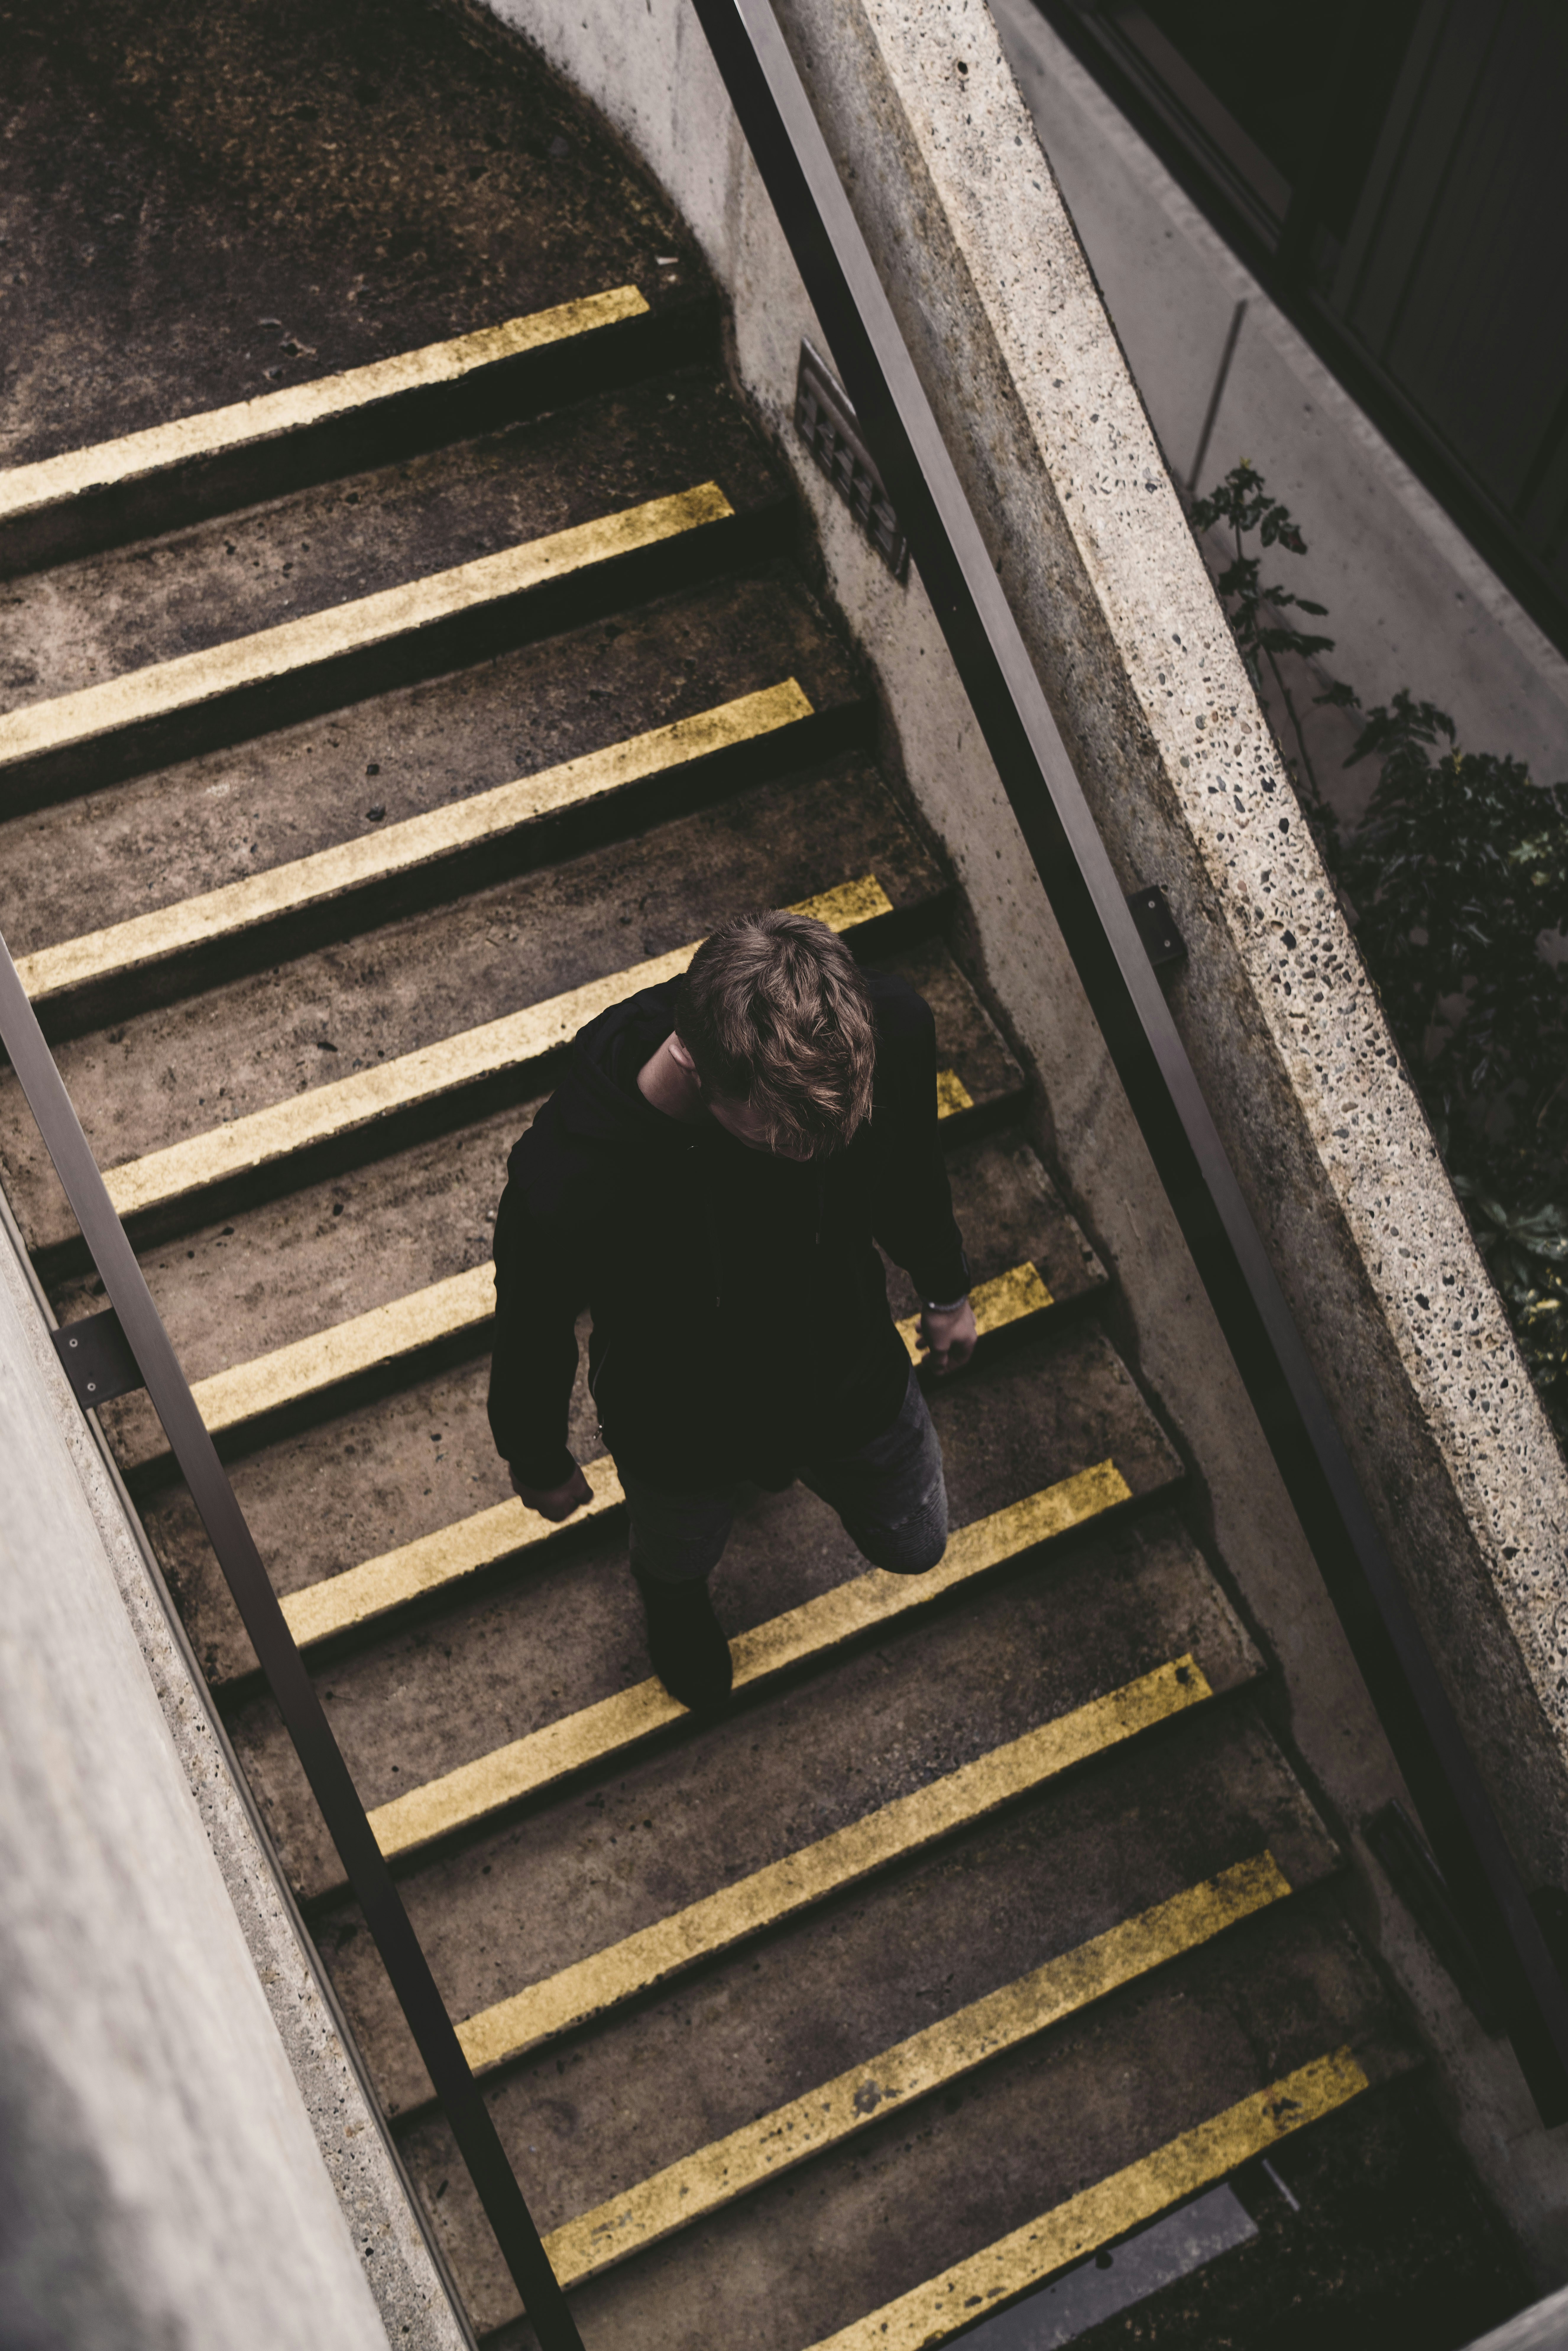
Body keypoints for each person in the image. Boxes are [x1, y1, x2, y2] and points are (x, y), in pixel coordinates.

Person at [487, 908, 977, 1711]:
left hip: (846, 1369)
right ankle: (673, 1602)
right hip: (678, 1424)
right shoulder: (569, 1182)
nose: (814, 1156)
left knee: (917, 1546)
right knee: (678, 1553)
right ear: (692, 1063)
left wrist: (945, 1287)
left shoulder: (887, 1032)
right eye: (784, 1142)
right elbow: (533, 1329)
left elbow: (910, 1174)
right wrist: (535, 1457)